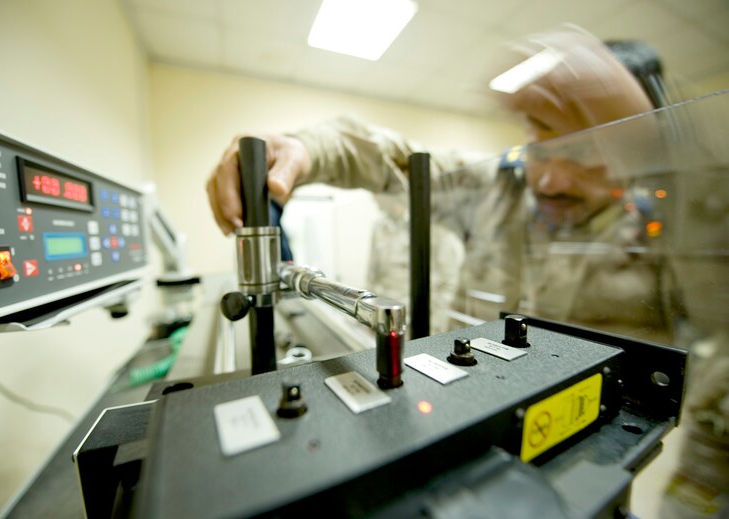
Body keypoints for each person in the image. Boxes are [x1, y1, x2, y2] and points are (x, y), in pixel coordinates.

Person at [207, 25, 728, 518]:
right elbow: (394, 159)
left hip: (590, 452)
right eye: (543, 140)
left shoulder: (673, 218)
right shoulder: (498, 190)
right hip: (462, 436)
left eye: (585, 153)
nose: (549, 178)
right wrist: (304, 149)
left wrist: (668, 152)